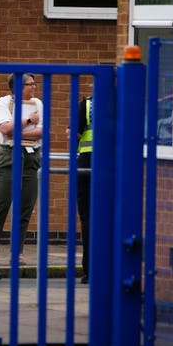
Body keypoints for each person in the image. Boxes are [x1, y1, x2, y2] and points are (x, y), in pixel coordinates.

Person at [0, 73, 43, 266]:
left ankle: (17, 252)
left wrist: (17, 130)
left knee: (25, 208)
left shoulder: (38, 104)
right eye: (30, 84)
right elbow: (4, 129)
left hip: (31, 157)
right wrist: (29, 121)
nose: (34, 87)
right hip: (9, 156)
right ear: (18, 87)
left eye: (35, 84)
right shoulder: (4, 103)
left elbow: (41, 132)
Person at [75, 96, 93, 284]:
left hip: (87, 163)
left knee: (87, 217)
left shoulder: (86, 105)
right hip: (113, 164)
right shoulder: (120, 101)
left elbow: (73, 134)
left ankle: (90, 269)